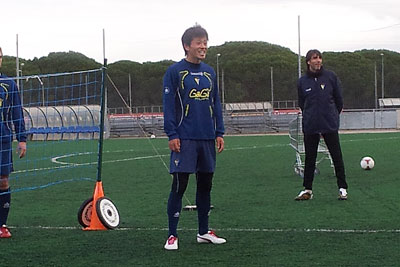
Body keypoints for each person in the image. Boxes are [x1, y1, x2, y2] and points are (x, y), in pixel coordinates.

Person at [162, 25, 226, 250]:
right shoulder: (174, 72)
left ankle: (203, 232)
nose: (203, 46)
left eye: (205, 42)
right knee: (179, 186)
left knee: (205, 185)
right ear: (187, 46)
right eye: (199, 42)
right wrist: (172, 133)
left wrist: (219, 132)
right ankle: (172, 235)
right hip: (184, 138)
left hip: (207, 137)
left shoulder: (210, 72)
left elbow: (215, 103)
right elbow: (168, 106)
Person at [295, 49, 348, 201]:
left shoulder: (330, 77)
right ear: (308, 62)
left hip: (329, 124)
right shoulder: (302, 81)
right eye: (314, 58)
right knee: (310, 159)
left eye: (319, 58)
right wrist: (311, 116)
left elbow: (339, 101)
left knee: (336, 156)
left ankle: (342, 188)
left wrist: (331, 116)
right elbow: (302, 103)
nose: (318, 61)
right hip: (310, 125)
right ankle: (307, 190)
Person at [0, 47, 27, 237]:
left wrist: (22, 139)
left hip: (2, 140)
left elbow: (17, 113)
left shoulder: (8, 84)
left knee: (2, 181)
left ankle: (1, 225)